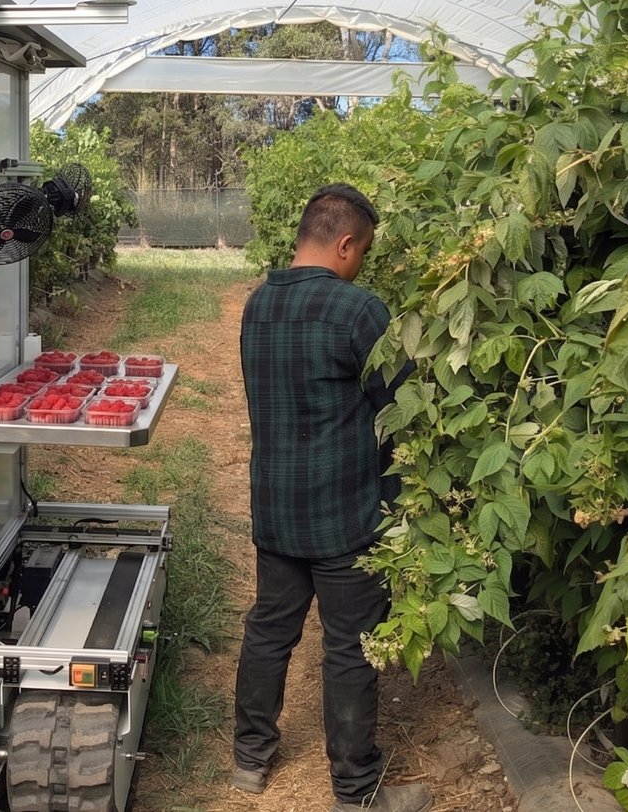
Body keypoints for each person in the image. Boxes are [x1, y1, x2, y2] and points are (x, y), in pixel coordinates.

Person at [231, 184, 428, 812]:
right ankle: (356, 790)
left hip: (277, 508)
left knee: (270, 630)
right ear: (345, 243)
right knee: (349, 646)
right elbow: (401, 411)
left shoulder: (258, 304)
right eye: (362, 251)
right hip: (344, 515)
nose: (361, 263)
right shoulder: (356, 310)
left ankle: (250, 758)